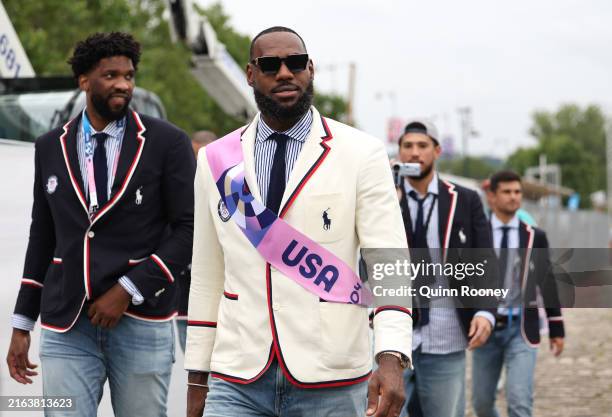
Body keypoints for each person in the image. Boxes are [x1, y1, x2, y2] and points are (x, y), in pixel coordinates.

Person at [185, 26, 412, 417]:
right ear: (250, 74)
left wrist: (391, 355)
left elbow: (389, 262)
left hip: (331, 376)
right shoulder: (216, 160)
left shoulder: (361, 153)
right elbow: (208, 274)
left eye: (296, 63)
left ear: (311, 69)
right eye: (271, 65)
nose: (285, 73)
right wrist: (196, 376)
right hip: (237, 375)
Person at [6, 32, 195, 417]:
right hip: (67, 324)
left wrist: (128, 289)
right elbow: (43, 235)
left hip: (142, 320)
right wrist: (22, 322)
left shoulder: (168, 142)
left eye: (129, 75)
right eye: (110, 75)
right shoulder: (49, 145)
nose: (123, 84)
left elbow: (190, 230)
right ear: (84, 81)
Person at [396, 119, 497, 417]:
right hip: (392, 335)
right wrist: (390, 197)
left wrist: (485, 311)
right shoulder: (382, 197)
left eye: (422, 146)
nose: (415, 153)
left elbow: (485, 260)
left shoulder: (466, 200)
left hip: (445, 335)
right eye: (408, 146)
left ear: (437, 151)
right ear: (399, 152)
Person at [471, 170, 564, 417]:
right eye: (507, 192)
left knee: (519, 403)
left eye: (517, 192)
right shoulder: (477, 234)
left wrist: (557, 327)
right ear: (491, 196)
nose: (514, 197)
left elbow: (547, 281)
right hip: (486, 329)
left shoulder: (535, 236)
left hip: (521, 328)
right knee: (481, 403)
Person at [176, 130, 218, 352]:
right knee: (193, 358)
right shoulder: (181, 182)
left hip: (220, 291)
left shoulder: (228, 182)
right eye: (194, 155)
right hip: (185, 289)